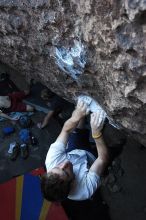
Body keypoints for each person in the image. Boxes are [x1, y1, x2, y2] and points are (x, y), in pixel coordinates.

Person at [41, 100, 109, 201]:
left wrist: (77, 116)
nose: (65, 164)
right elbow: (102, 159)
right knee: (109, 153)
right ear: (72, 183)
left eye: (57, 167)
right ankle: (119, 145)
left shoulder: (51, 161)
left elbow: (66, 130)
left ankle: (85, 113)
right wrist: (96, 133)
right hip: (93, 161)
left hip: (75, 150)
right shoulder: (83, 191)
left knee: (77, 125)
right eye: (66, 172)